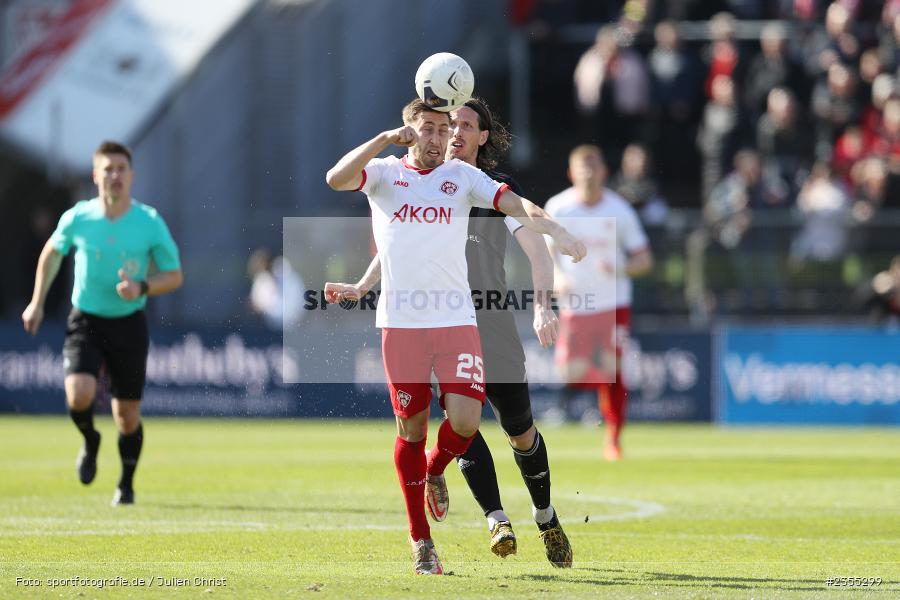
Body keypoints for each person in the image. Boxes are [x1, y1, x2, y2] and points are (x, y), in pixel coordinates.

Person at [324, 99, 585, 575]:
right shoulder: (386, 173)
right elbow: (356, 200)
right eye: (434, 127)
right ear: (411, 130)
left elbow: (522, 216)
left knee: (490, 426)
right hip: (407, 324)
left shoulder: (466, 181)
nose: (444, 135)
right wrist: (363, 286)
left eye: (453, 127)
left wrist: (557, 237)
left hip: (474, 323)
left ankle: (508, 499)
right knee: (427, 428)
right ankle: (451, 531)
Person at [21, 141, 183, 506]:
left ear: (132, 176)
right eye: (107, 169)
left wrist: (142, 286)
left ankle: (126, 484)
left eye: (121, 169)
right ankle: (90, 439)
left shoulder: (149, 221)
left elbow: (174, 275)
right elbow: (52, 253)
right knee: (78, 395)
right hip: (86, 318)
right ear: (96, 175)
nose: (115, 176)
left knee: (126, 416)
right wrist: (36, 303)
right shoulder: (78, 217)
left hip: (128, 323)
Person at [545, 144, 652, 462]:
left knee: (612, 369)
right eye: (583, 167)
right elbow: (544, 251)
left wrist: (619, 268)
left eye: (594, 166)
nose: (589, 172)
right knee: (571, 371)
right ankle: (583, 407)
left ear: (604, 171)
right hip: (576, 302)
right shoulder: (559, 207)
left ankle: (614, 437)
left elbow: (644, 259)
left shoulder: (620, 210)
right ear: (571, 173)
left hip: (613, 303)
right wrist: (556, 277)